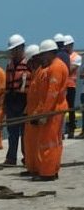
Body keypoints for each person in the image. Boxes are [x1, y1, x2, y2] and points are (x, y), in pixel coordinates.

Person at [30, 39, 69, 181]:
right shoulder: (57, 66)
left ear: (50, 53)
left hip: (54, 110)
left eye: (43, 55)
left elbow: (52, 94)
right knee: (55, 141)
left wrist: (44, 114)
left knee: (48, 142)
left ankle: (47, 173)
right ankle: (53, 169)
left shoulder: (56, 68)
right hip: (56, 108)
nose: (41, 58)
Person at [3, 34, 30, 166]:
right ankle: (11, 158)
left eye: (15, 49)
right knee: (12, 132)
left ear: (21, 48)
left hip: (24, 100)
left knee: (25, 133)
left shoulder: (29, 64)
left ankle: (27, 158)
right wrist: (4, 104)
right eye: (11, 50)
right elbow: (6, 86)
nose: (13, 52)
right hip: (11, 101)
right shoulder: (9, 66)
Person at [21, 44, 41, 176]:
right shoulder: (35, 73)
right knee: (29, 143)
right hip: (30, 113)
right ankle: (31, 167)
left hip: (36, 115)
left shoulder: (42, 73)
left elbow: (43, 97)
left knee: (38, 144)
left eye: (30, 63)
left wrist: (38, 114)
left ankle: (40, 169)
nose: (29, 66)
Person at [64, 35, 80, 139]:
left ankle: (71, 130)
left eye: (68, 45)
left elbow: (70, 69)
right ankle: (61, 130)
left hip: (71, 86)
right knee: (61, 108)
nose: (67, 47)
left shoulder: (76, 57)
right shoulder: (63, 56)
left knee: (71, 108)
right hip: (62, 86)